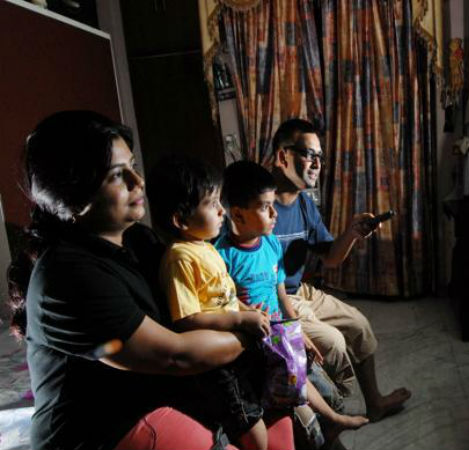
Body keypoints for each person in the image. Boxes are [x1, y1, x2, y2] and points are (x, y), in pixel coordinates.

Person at [7, 111, 294, 450]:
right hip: (105, 431)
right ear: (74, 193)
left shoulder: (138, 240)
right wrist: (253, 332)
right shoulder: (67, 275)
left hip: (160, 394)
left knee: (282, 413)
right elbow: (176, 356)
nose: (137, 181)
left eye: (133, 166)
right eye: (118, 175)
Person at [215, 161, 369, 445]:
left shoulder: (271, 244)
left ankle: (333, 420)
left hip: (283, 335)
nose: (275, 214)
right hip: (258, 346)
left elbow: (282, 295)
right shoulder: (221, 255)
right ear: (237, 213)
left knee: (328, 393)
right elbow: (224, 302)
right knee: (306, 417)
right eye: (265, 207)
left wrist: (299, 333)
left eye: (273, 204)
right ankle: (326, 426)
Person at [270, 118, 411, 422]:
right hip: (273, 299)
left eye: (320, 157)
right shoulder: (259, 204)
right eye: (310, 154)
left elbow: (331, 258)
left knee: (359, 324)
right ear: (283, 156)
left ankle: (374, 402)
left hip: (299, 290)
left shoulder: (304, 204)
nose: (317, 164)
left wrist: (351, 233)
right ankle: (331, 421)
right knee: (333, 343)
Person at [146, 155, 273, 450]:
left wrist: (247, 311)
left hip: (234, 346)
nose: (221, 210)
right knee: (251, 428)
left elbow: (224, 296)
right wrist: (240, 319)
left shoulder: (205, 246)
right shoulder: (180, 257)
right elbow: (187, 319)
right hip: (217, 365)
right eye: (212, 203)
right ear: (181, 220)